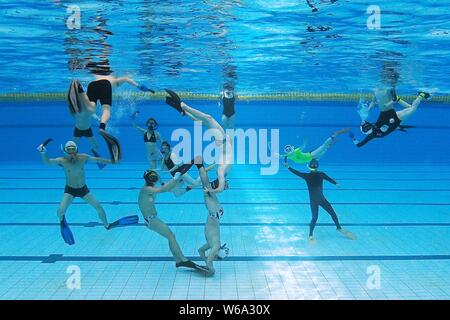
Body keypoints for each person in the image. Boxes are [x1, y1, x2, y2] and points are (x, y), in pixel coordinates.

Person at [36, 140, 136, 245]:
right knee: (60, 212)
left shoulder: (82, 158)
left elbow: (98, 159)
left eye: (73, 149)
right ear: (64, 151)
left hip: (83, 189)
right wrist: (43, 153)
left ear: (77, 149)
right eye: (69, 150)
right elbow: (47, 162)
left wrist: (112, 161)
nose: (71, 153)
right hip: (70, 190)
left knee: (99, 207)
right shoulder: (62, 160)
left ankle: (107, 225)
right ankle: (62, 222)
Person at [139, 163, 209, 273]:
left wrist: (176, 179)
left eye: (154, 178)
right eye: (152, 178)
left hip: (151, 218)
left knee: (170, 236)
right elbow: (162, 190)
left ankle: (178, 260)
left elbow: (168, 189)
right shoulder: (146, 189)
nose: (153, 180)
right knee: (171, 236)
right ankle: (182, 259)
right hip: (150, 220)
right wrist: (175, 178)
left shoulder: (151, 187)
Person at [164, 89, 232, 193]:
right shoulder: (225, 171)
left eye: (227, 185)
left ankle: (183, 106)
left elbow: (221, 185)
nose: (228, 184)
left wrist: (215, 190)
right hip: (222, 140)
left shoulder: (221, 171)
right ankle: (184, 112)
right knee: (202, 121)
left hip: (221, 139)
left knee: (208, 118)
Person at [284, 158, 356, 241]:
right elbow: (329, 179)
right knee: (333, 213)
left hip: (313, 201)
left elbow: (297, 173)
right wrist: (336, 183)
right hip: (322, 199)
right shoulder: (321, 174)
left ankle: (310, 235)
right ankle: (338, 227)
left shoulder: (307, 176)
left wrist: (288, 167)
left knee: (314, 218)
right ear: (317, 167)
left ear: (308, 167)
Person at [350, 88, 431, 148]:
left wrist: (353, 138)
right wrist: (353, 138)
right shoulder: (375, 130)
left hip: (396, 120)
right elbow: (359, 144)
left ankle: (422, 95)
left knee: (413, 109)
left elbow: (359, 145)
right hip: (395, 119)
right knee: (411, 108)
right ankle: (398, 99)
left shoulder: (372, 134)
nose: (370, 124)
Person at [194, 160, 226, 276]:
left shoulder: (215, 245)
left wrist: (209, 267)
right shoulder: (215, 245)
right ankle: (199, 165)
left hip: (211, 221)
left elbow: (206, 256)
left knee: (205, 184)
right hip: (211, 223)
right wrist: (209, 267)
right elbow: (203, 253)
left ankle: (199, 164)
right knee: (205, 184)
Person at [280, 128, 350, 164]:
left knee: (323, 146)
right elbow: (279, 156)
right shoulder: (288, 157)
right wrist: (269, 147)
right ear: (286, 152)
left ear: (292, 148)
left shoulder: (296, 151)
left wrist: (304, 143)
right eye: (287, 150)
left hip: (312, 155)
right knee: (325, 149)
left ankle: (334, 135)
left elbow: (303, 146)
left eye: (289, 149)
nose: (289, 150)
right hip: (314, 159)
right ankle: (332, 142)